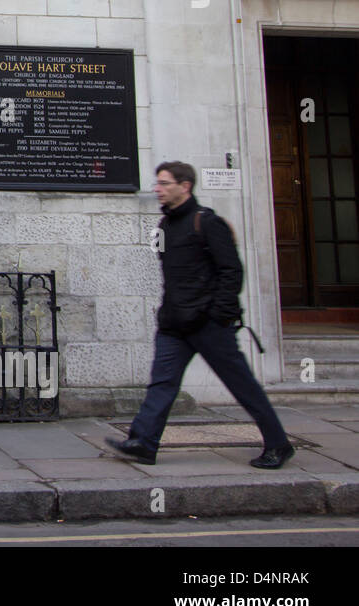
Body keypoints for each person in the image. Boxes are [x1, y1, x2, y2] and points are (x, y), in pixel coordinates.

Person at [105, 161, 294, 468]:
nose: (158, 189)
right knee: (161, 384)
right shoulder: (165, 226)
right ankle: (143, 442)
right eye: (157, 183)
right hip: (174, 325)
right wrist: (167, 313)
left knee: (242, 385)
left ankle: (278, 444)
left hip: (208, 325)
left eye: (165, 183)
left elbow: (231, 271)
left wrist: (218, 314)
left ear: (185, 186)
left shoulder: (206, 222)